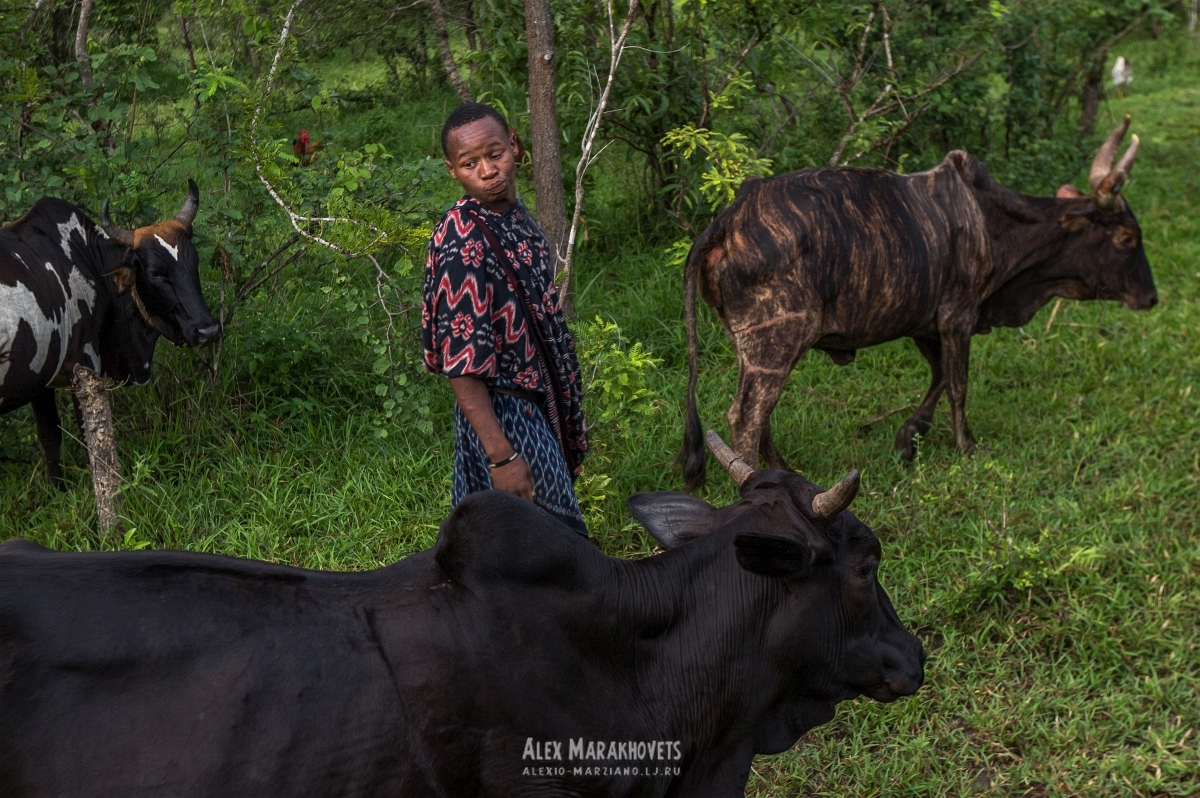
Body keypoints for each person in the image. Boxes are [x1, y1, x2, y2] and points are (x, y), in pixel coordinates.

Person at [422, 103, 589, 536]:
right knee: (559, 543)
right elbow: (460, 363)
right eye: (469, 163)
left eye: (494, 154)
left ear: (514, 145)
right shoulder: (463, 238)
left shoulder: (516, 219)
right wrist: (502, 456)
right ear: (452, 171)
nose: (487, 170)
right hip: (505, 414)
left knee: (507, 552)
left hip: (535, 405)